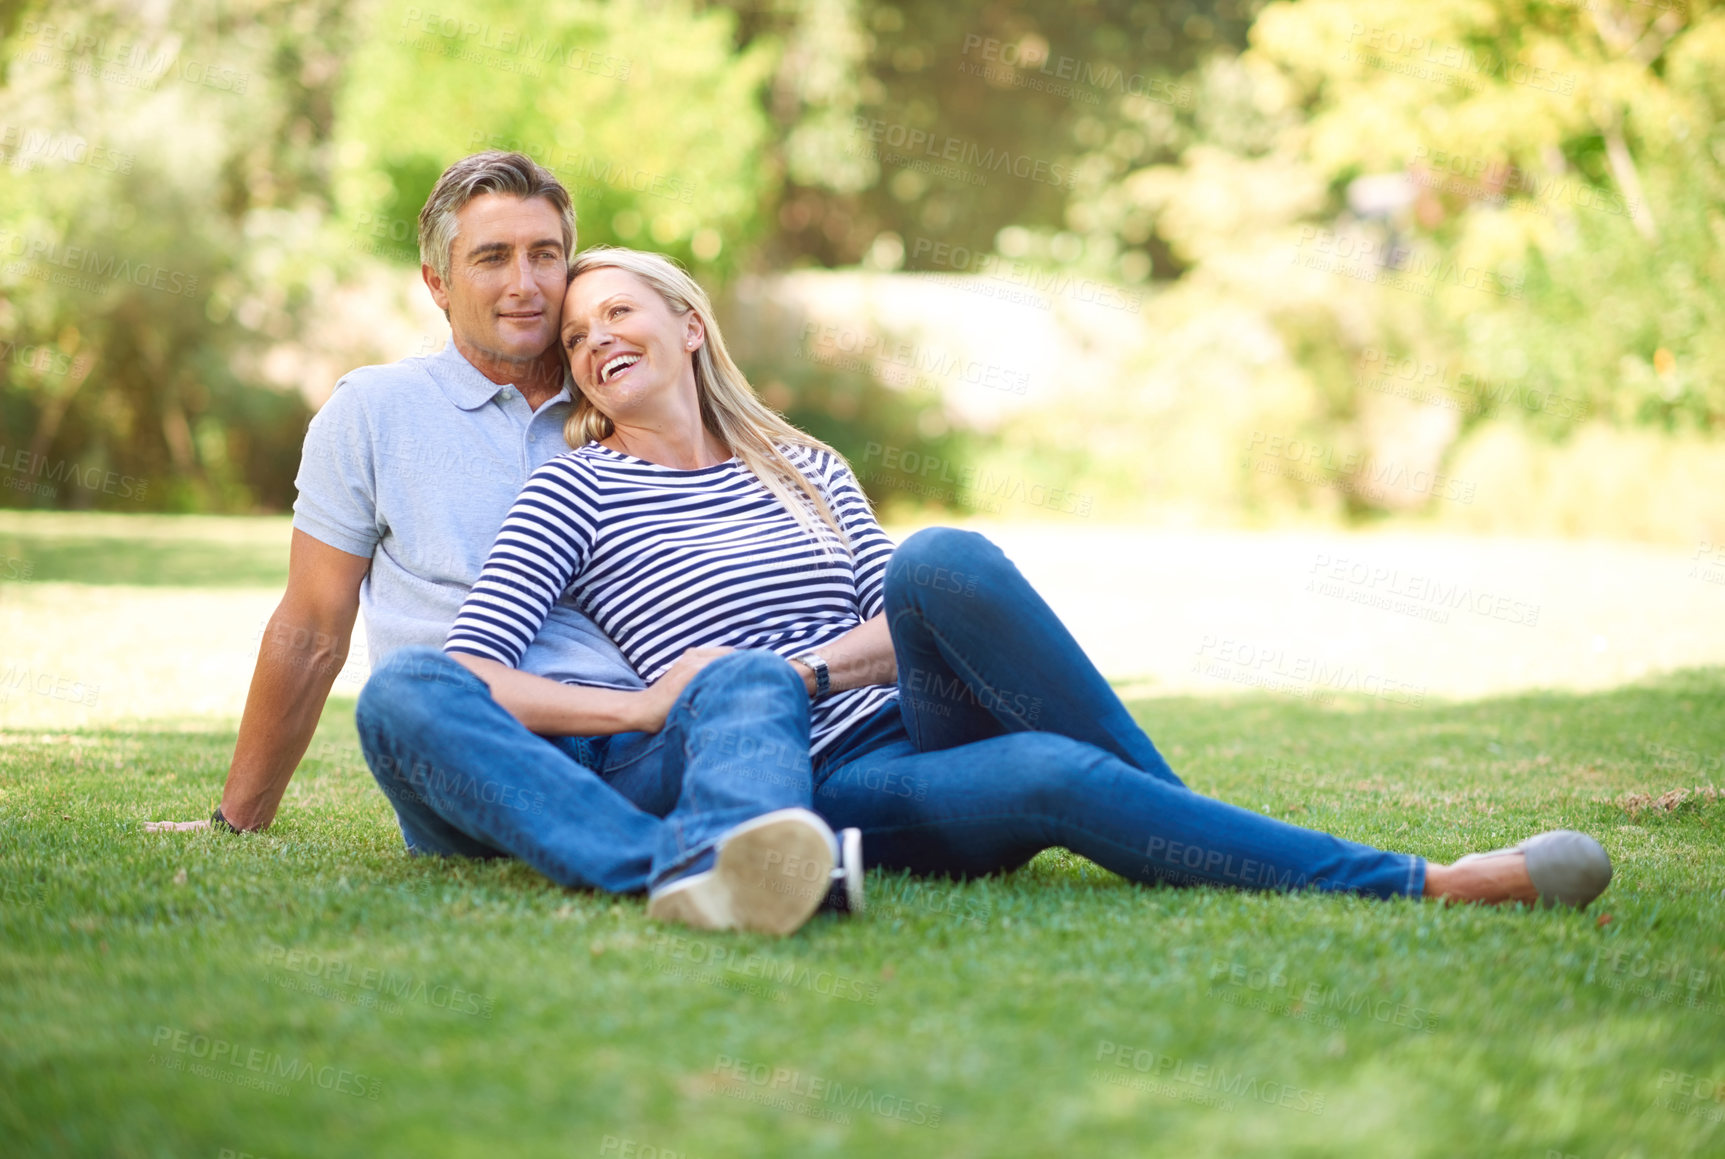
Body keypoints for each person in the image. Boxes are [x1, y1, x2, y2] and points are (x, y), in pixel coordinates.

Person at [440, 245, 1613, 913]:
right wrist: (653, 707)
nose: (594, 341)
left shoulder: (807, 466)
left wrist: (802, 662)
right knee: (1051, 772)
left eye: (617, 313)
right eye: (579, 340)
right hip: (812, 780)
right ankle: (1433, 884)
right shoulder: (575, 491)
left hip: (909, 712)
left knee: (940, 557)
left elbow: (901, 626)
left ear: (689, 324)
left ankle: (1174, 821)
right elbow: (477, 676)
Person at [145, 152, 864, 938]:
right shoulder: (374, 412)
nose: (524, 283)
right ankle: (694, 861)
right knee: (405, 689)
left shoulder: (618, 386)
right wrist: (238, 818)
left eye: (544, 255)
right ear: (437, 283)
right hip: (474, 754)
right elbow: (312, 625)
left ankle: (701, 858)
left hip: (640, 753)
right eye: (491, 258)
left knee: (739, 677)